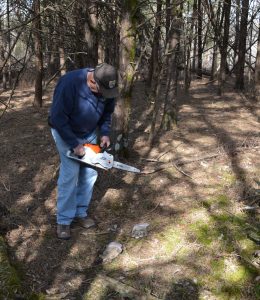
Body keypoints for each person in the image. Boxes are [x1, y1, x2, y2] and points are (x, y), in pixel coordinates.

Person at [49, 63, 119, 239]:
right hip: (65, 132)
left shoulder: (108, 85)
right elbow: (58, 118)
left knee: (89, 173)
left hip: (88, 132)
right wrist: (74, 144)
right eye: (102, 91)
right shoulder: (69, 83)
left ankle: (80, 212)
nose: (104, 95)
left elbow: (107, 113)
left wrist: (104, 133)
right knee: (70, 173)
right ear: (92, 81)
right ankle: (64, 220)